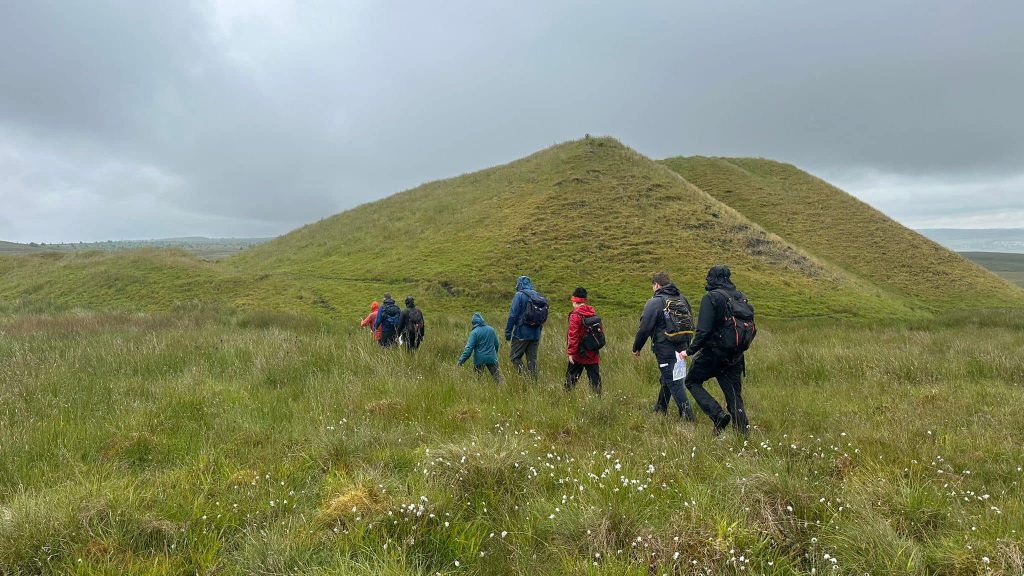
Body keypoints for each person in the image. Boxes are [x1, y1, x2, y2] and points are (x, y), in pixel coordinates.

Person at [681, 266, 751, 436]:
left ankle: (718, 415)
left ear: (712, 278)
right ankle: (743, 434)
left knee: (692, 381)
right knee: (734, 394)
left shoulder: (711, 297)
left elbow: (703, 331)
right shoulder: (740, 296)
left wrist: (689, 351)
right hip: (735, 355)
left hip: (714, 353)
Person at [632, 272, 695, 421]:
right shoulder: (682, 299)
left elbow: (644, 328)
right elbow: (690, 322)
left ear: (656, 285)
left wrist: (637, 347)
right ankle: (661, 408)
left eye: (652, 286)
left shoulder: (655, 302)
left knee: (674, 381)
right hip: (683, 346)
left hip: (665, 347)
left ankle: (688, 418)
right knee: (668, 378)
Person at [504, 275, 546, 380]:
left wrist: (508, 333)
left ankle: (525, 378)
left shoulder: (519, 295)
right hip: (536, 334)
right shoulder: (538, 295)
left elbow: (513, 315)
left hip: (521, 333)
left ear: (519, 284)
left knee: (514, 357)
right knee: (532, 360)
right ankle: (534, 383)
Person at [565, 287, 602, 394]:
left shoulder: (575, 316)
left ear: (575, 301)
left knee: (570, 379)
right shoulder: (592, 313)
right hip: (593, 352)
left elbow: (573, 336)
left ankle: (566, 399)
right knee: (595, 380)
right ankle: (598, 401)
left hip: (578, 353)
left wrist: (571, 353)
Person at [458, 312, 503, 383]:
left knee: (477, 382)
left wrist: (461, 361)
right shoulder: (491, 330)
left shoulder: (474, 333)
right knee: (498, 380)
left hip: (479, 360)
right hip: (492, 358)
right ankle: (502, 391)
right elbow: (497, 344)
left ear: (473, 322)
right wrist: (494, 354)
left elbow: (468, 350)